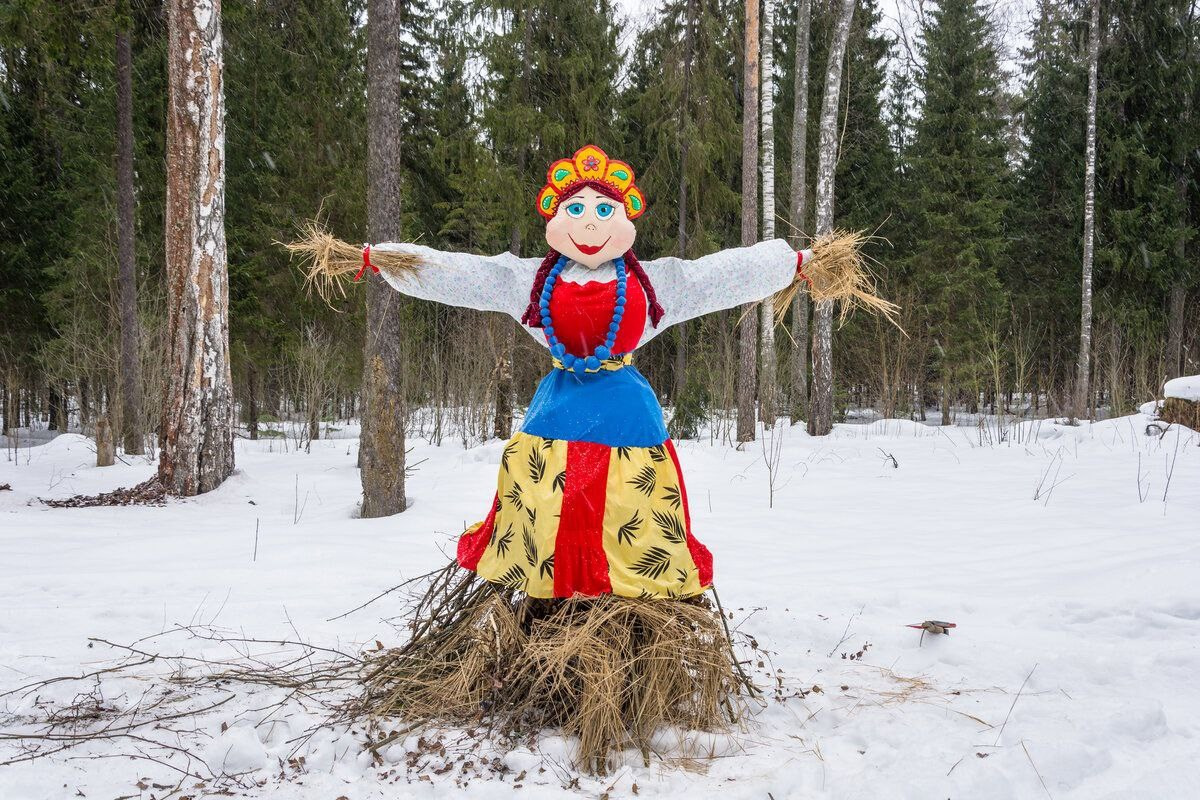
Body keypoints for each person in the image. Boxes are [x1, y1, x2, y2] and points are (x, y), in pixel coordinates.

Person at [368, 144, 811, 599]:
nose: (590, 221)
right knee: (546, 507)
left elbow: (716, 275)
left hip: (628, 419)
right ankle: (550, 604)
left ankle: (630, 613)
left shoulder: (648, 281)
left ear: (626, 217)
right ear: (555, 218)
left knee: (631, 513)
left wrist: (789, 264)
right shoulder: (531, 280)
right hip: (555, 413)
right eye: (575, 209)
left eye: (604, 209)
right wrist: (389, 261)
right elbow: (467, 274)